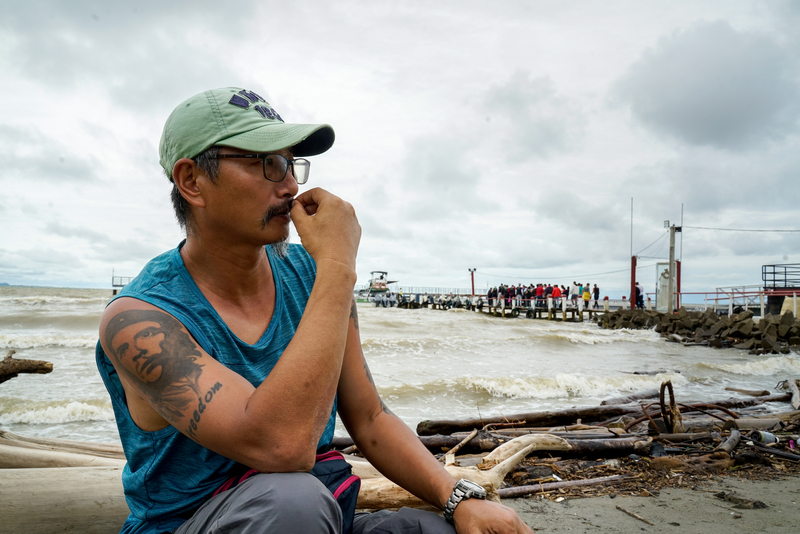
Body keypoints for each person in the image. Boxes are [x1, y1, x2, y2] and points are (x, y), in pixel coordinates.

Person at [95, 87, 532, 534]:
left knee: (441, 531)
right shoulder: (139, 321)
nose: (290, 185)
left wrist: (458, 499)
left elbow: (370, 418)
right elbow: (282, 448)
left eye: (290, 163)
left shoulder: (306, 272)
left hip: (320, 515)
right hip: (202, 523)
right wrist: (339, 266)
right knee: (292, 501)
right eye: (266, 164)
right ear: (191, 181)